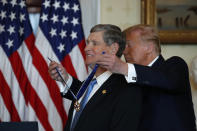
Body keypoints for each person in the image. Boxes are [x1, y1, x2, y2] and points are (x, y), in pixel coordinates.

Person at [96, 24, 197, 131]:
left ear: (149, 47)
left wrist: (123, 67)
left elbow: (166, 80)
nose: (124, 51)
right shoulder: (125, 78)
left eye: (128, 45)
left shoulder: (175, 65)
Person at [48, 24, 142, 131]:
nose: (86, 48)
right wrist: (64, 78)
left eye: (95, 44)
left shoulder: (127, 90)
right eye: (88, 43)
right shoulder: (87, 84)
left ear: (113, 49)